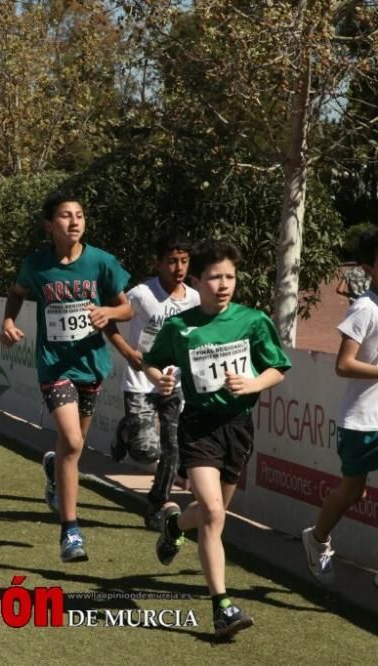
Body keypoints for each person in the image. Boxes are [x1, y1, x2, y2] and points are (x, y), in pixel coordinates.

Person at [143, 240, 290, 640]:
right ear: (197, 281)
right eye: (214, 277)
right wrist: (163, 379)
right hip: (199, 426)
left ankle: (173, 526)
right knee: (211, 511)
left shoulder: (253, 321)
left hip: (238, 426)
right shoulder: (180, 326)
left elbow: (278, 367)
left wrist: (253, 382)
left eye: (229, 277)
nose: (223, 285)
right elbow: (151, 361)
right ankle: (222, 606)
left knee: (214, 515)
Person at [0, 193, 131, 563]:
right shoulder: (37, 265)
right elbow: (17, 292)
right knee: (72, 442)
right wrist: (8, 320)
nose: (74, 222)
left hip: (90, 364)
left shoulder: (101, 262)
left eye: (79, 216)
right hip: (54, 366)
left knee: (73, 449)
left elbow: (127, 306)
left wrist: (108, 311)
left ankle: (55, 470)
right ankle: (70, 532)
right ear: (49, 225)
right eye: (65, 216)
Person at [105, 234, 201, 530]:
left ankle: (156, 504)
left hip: (174, 385)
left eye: (184, 261)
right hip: (141, 382)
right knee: (146, 450)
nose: (178, 268)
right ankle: (125, 432)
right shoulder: (141, 294)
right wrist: (128, 352)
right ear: (157, 263)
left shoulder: (195, 298)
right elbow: (110, 322)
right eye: (172, 261)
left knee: (172, 450)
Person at [302, 228, 378, 585]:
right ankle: (317, 539)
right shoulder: (363, 308)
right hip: (362, 420)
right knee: (352, 492)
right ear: (368, 267)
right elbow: (344, 364)